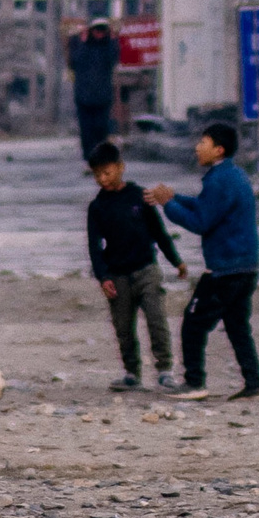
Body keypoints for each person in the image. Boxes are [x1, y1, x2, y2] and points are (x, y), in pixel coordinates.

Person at [144, 121, 259, 401]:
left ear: (218, 149)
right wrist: (175, 197)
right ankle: (255, 383)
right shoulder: (231, 175)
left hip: (226, 269)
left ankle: (195, 382)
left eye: (203, 142)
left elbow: (200, 221)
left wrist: (168, 205)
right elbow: (205, 205)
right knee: (236, 326)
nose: (197, 147)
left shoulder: (220, 180)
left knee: (193, 323)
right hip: (246, 266)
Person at [86, 141, 186, 392]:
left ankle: (164, 370)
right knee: (123, 326)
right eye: (97, 174)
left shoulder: (140, 197)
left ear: (120, 167)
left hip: (146, 270)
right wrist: (103, 277)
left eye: (107, 172)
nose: (102, 179)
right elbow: (94, 247)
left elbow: (159, 233)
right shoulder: (97, 207)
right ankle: (132, 373)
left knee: (156, 319)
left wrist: (177, 261)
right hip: (117, 275)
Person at [68, 19, 120, 162]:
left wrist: (113, 40)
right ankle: (89, 157)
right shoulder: (80, 44)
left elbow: (113, 58)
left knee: (101, 128)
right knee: (86, 130)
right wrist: (83, 42)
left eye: (102, 30)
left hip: (103, 96)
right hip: (83, 96)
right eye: (96, 30)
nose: (99, 34)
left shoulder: (108, 46)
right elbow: (74, 62)